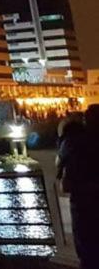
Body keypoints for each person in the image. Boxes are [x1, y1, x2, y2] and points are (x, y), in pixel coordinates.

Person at [61, 105, 99, 269]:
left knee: (87, 251)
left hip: (83, 204)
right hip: (87, 201)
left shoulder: (74, 142)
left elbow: (67, 182)